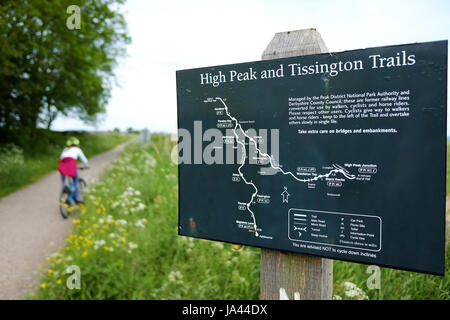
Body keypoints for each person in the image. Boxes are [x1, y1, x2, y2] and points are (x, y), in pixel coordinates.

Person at [58, 137, 89, 204]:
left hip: (62, 165)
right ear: (77, 144)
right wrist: (86, 166)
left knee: (63, 182)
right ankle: (77, 199)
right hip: (71, 164)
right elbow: (84, 159)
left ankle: (63, 194)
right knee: (75, 181)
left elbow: (61, 158)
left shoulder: (65, 149)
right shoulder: (77, 149)